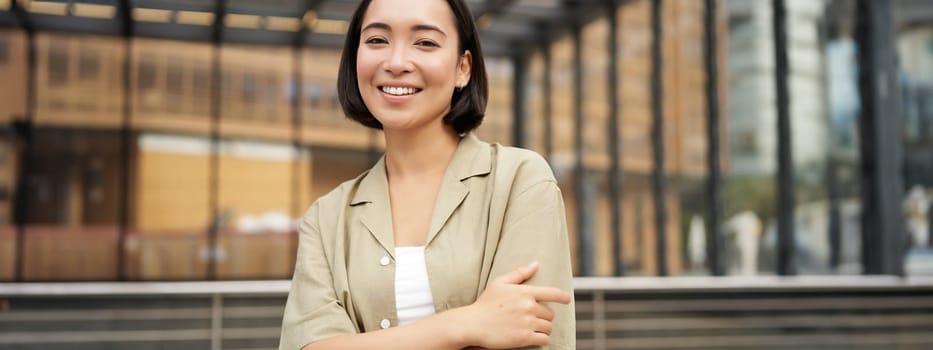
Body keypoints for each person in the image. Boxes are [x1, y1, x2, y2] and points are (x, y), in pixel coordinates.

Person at [278, 0, 575, 349]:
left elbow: (531, 338)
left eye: (425, 43)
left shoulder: (519, 182)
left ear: (463, 68)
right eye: (377, 40)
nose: (396, 62)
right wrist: (465, 324)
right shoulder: (327, 218)